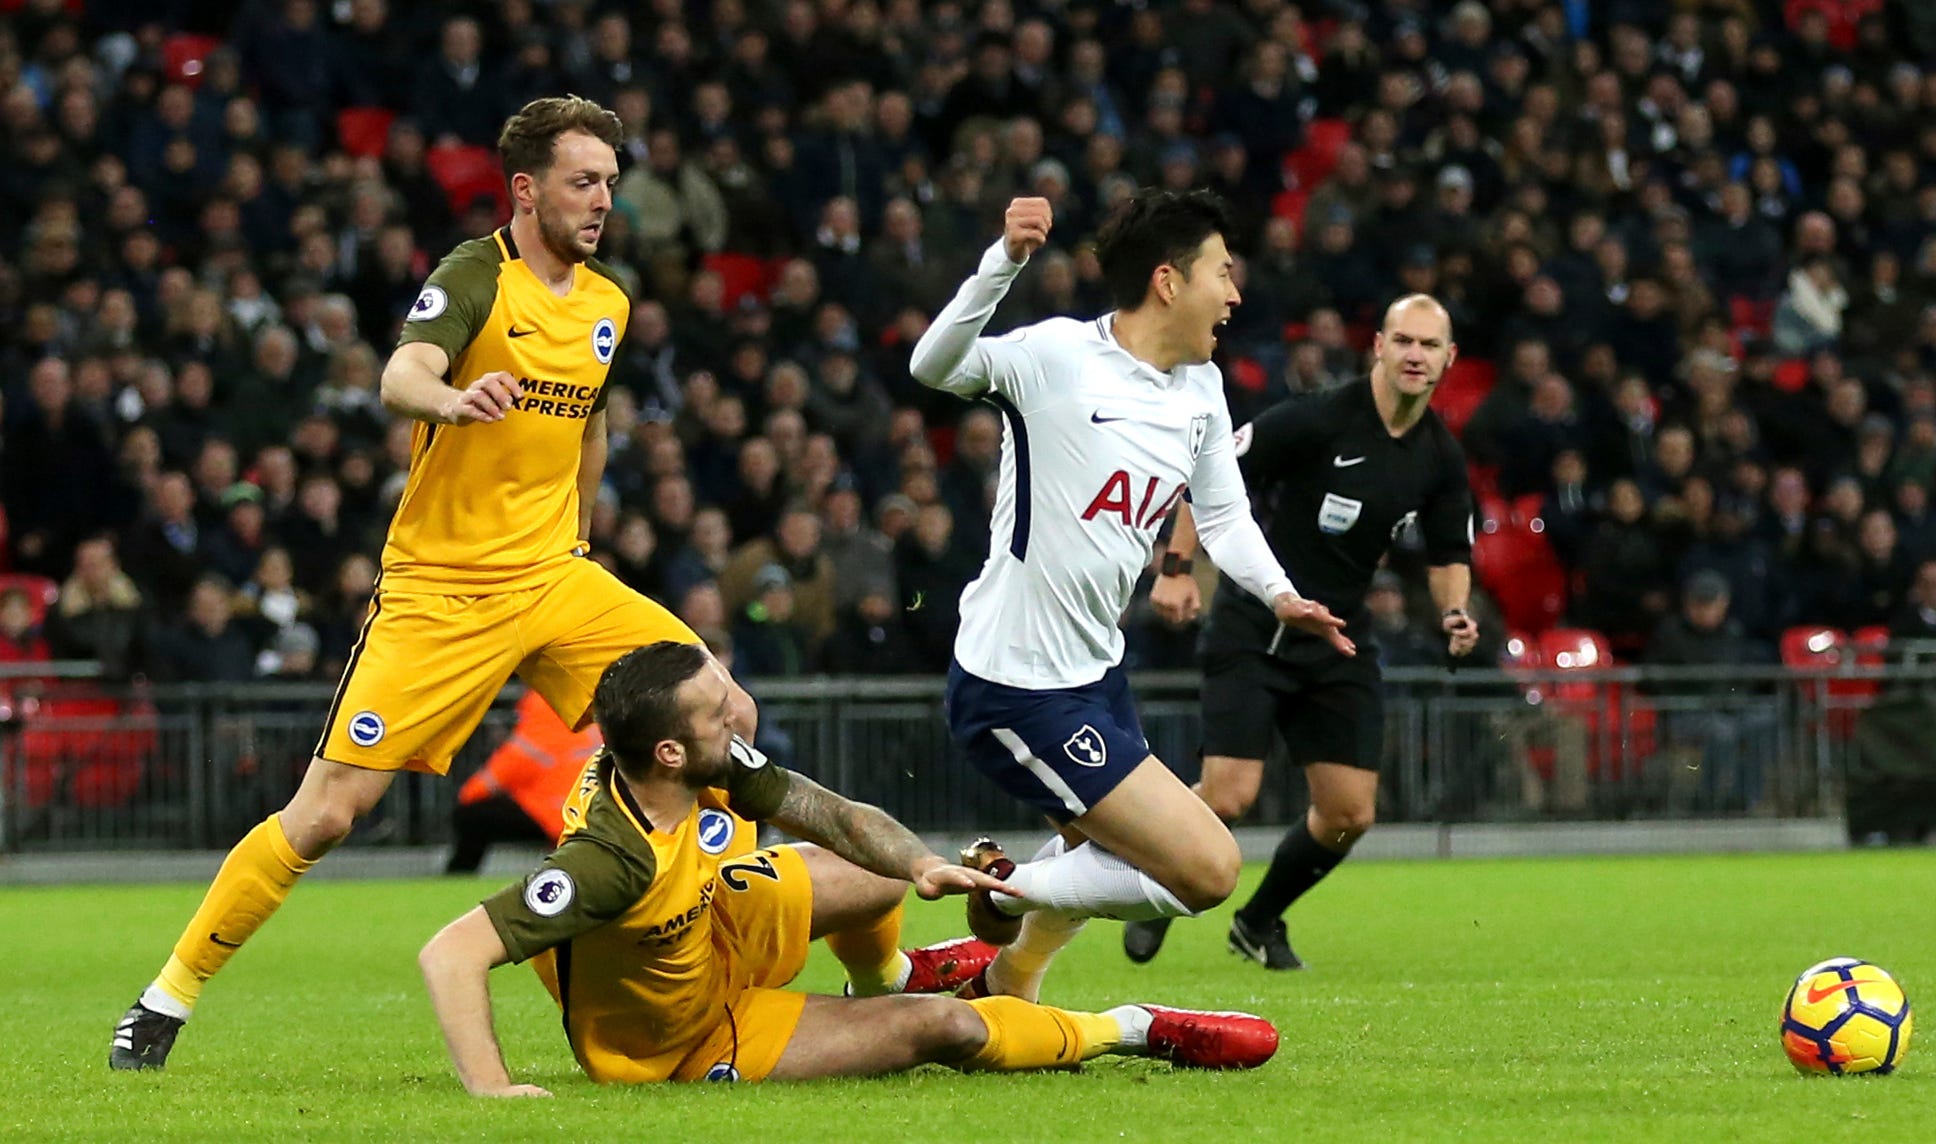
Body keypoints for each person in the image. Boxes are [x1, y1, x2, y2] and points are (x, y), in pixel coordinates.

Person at [111, 96, 760, 1070]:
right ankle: (165, 998)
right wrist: (453, 399)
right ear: (527, 188)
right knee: (328, 811)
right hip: (442, 589)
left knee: (726, 711)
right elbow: (399, 375)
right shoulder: (473, 276)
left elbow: (588, 421)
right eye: (584, 182)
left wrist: (579, 532)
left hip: (550, 575)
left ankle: (741, 974)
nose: (602, 201)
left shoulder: (607, 302)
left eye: (612, 184)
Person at [418, 642, 1278, 1094]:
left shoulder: (705, 765)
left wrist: (921, 864)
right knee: (942, 1030)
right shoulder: (610, 860)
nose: (741, 711)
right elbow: (449, 954)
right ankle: (1134, 1027)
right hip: (680, 1034)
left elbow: (832, 815)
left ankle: (897, 972)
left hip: (711, 923)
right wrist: (494, 1092)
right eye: (721, 709)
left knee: (873, 868)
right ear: (671, 750)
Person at [909, 190, 1351, 1003]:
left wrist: (1280, 594)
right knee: (1207, 869)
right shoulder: (1055, 358)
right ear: (1168, 282)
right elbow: (930, 365)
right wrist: (1002, 260)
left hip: (1094, 673)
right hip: (1016, 681)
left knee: (1096, 854)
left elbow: (1221, 514)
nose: (1235, 293)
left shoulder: (1200, 389)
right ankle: (991, 892)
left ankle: (1006, 982)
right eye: (1223, 272)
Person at [1124, 294, 1480, 970]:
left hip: (1337, 638)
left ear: (1448, 359)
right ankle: (1151, 887)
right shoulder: (1317, 418)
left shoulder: (1438, 457)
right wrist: (1174, 568)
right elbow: (1212, 476)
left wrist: (1453, 613)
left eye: (1428, 346)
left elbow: (1448, 555)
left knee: (1348, 814)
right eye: (1401, 340)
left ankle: (1257, 922)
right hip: (1253, 623)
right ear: (1376, 345)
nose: (1413, 354)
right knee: (1228, 796)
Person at [445, 689, 604, 875]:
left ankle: (458, 875)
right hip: (593, 811)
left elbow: (488, 782)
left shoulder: (538, 731)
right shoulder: (593, 728)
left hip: (552, 815)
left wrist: (470, 795)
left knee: (469, 816)